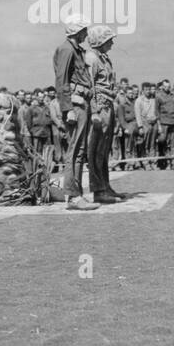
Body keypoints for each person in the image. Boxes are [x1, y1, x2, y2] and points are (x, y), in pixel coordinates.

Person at [52, 20, 98, 210]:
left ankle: (76, 193)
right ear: (77, 31)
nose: (86, 34)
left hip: (82, 102)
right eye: (84, 30)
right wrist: (67, 108)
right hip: (75, 104)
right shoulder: (67, 50)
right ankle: (72, 195)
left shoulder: (75, 50)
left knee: (79, 152)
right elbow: (61, 80)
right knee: (73, 152)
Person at [84, 25, 122, 204]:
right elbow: (89, 87)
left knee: (104, 150)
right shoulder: (91, 59)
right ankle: (98, 190)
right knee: (96, 150)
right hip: (99, 107)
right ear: (100, 40)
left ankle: (105, 186)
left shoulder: (104, 59)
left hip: (108, 105)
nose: (112, 43)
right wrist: (94, 111)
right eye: (108, 39)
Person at [155, 79, 174, 169]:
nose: (167, 88)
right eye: (165, 86)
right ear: (162, 86)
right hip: (164, 122)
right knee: (165, 143)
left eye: (168, 86)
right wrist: (159, 126)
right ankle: (167, 163)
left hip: (173, 122)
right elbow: (157, 111)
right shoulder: (158, 96)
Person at [134, 82, 156, 169]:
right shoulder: (139, 101)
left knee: (152, 144)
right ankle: (146, 163)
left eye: (149, 89)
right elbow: (137, 115)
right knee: (145, 145)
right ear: (142, 90)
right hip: (144, 124)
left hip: (153, 124)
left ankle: (153, 162)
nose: (148, 91)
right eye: (146, 90)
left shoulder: (153, 99)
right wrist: (140, 127)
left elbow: (156, 111)